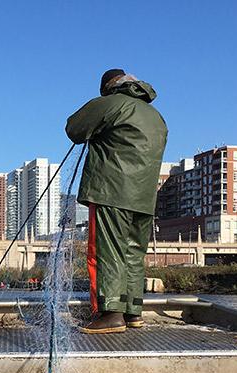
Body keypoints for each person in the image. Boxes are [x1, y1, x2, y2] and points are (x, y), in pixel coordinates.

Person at [66, 69, 168, 334]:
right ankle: (133, 312)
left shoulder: (111, 103)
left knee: (106, 252)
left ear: (108, 88)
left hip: (111, 191)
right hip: (144, 197)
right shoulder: (156, 116)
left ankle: (110, 314)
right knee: (133, 253)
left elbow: (74, 128)